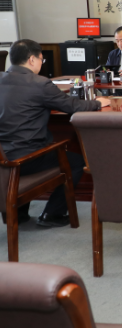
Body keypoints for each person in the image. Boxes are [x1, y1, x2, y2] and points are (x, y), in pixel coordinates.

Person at [0, 39, 110, 227]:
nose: (41, 63)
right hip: (26, 159)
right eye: (41, 59)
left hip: (3, 158)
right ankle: (53, 214)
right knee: (76, 162)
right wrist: (98, 102)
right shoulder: (39, 83)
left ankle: (19, 213)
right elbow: (72, 106)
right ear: (32, 59)